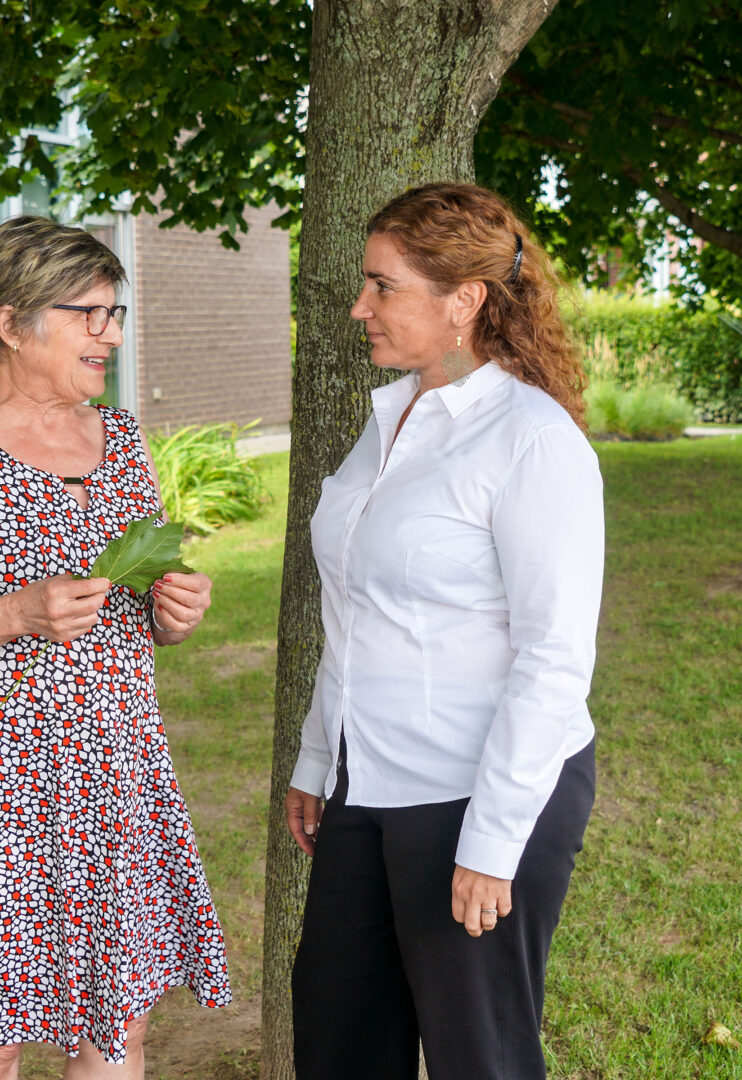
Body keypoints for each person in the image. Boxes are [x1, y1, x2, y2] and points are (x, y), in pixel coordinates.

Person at [0, 215, 231, 1078]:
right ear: (9, 322)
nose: (109, 332)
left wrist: (174, 610)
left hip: (115, 777)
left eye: (115, 313)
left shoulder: (125, 440)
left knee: (118, 1031)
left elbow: (143, 614)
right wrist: (10, 616)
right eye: (87, 313)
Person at [284, 182, 603, 1080]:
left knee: (480, 1056)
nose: (360, 307)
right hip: (364, 784)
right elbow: (352, 607)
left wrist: (493, 843)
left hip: (479, 791)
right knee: (339, 1036)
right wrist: (320, 759)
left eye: (383, 286)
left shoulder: (532, 441)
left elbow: (554, 659)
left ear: (463, 301)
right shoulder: (391, 422)